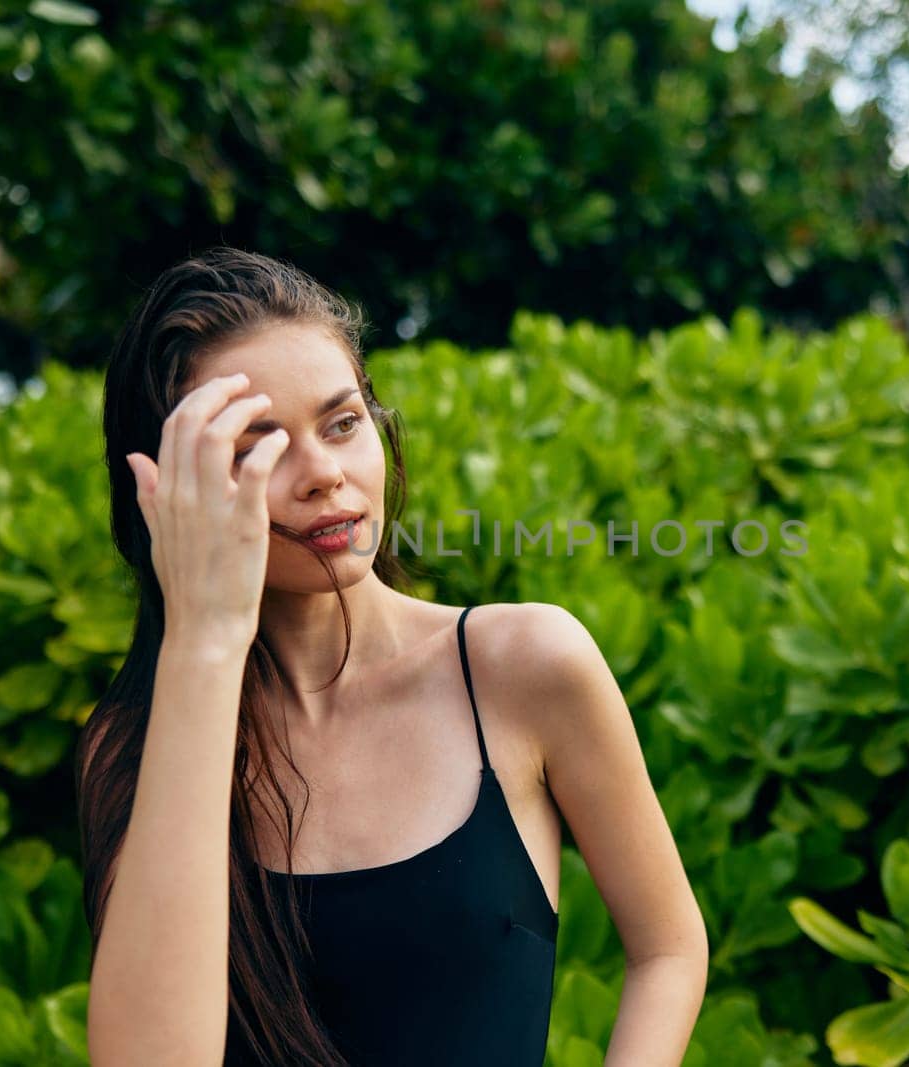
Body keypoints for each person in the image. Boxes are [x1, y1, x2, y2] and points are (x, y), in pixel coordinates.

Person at [75, 247, 708, 1066]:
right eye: (257, 449)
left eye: (342, 423)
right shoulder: (135, 745)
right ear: (171, 493)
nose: (325, 475)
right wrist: (204, 641)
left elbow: (668, 948)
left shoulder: (524, 666)